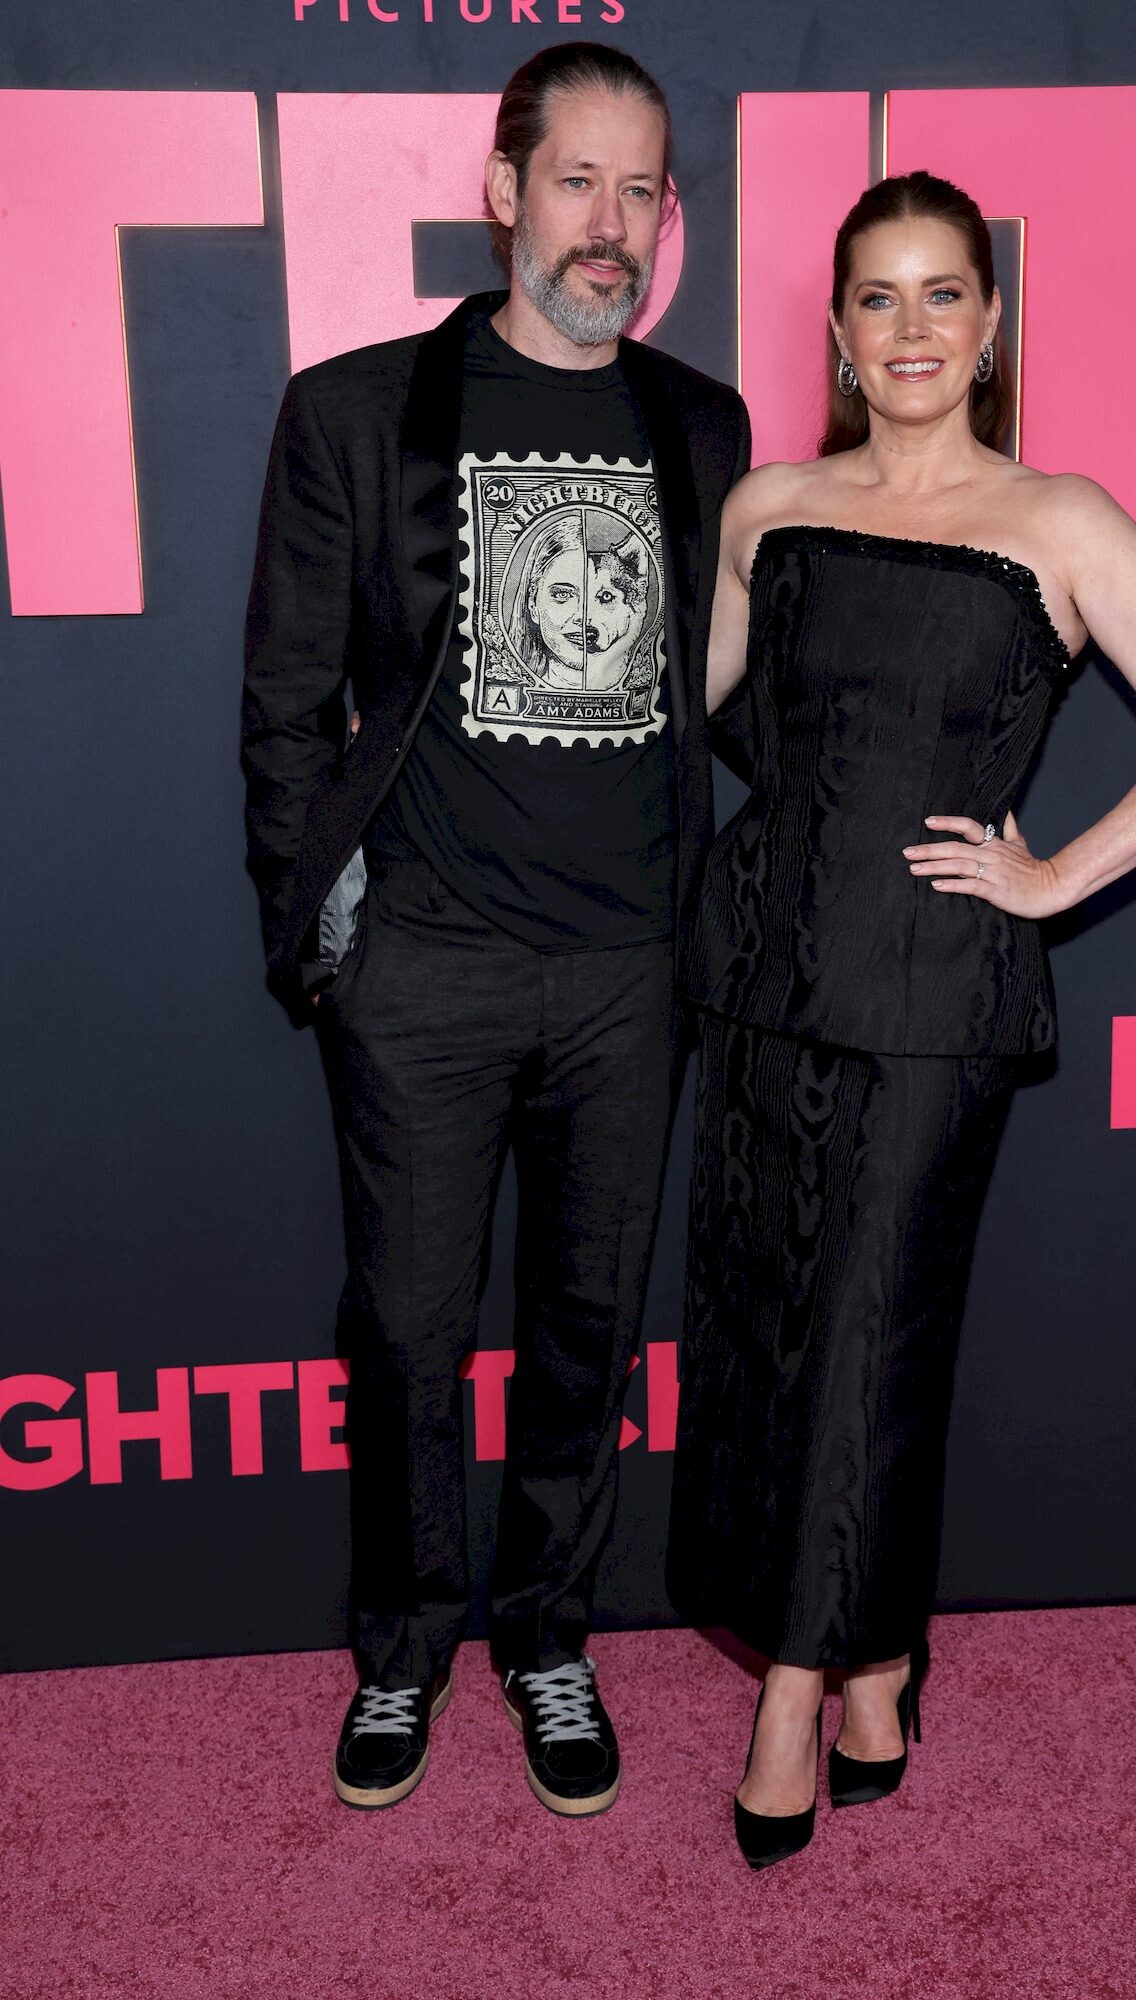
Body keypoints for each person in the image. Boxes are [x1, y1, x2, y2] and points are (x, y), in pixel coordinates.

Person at [665, 170, 1136, 1869]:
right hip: (759, 978)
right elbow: (677, 716)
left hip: (934, 995)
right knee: (764, 1335)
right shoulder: (767, 507)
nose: (911, 327)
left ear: (989, 324)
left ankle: (790, 1692)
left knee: (868, 1342)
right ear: (838, 332)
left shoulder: (1056, 520)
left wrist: (1053, 877)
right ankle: (874, 1669)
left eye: (943, 294)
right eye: (879, 297)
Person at [241, 43, 749, 1819]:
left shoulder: (701, 426)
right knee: (404, 1332)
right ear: (503, 191)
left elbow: (735, 690)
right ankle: (401, 1646)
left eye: (641, 190)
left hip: (629, 977)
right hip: (427, 974)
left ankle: (546, 1635)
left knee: (587, 1331)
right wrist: (330, 942)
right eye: (577, 181)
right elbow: (286, 704)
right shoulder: (356, 411)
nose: (609, 224)